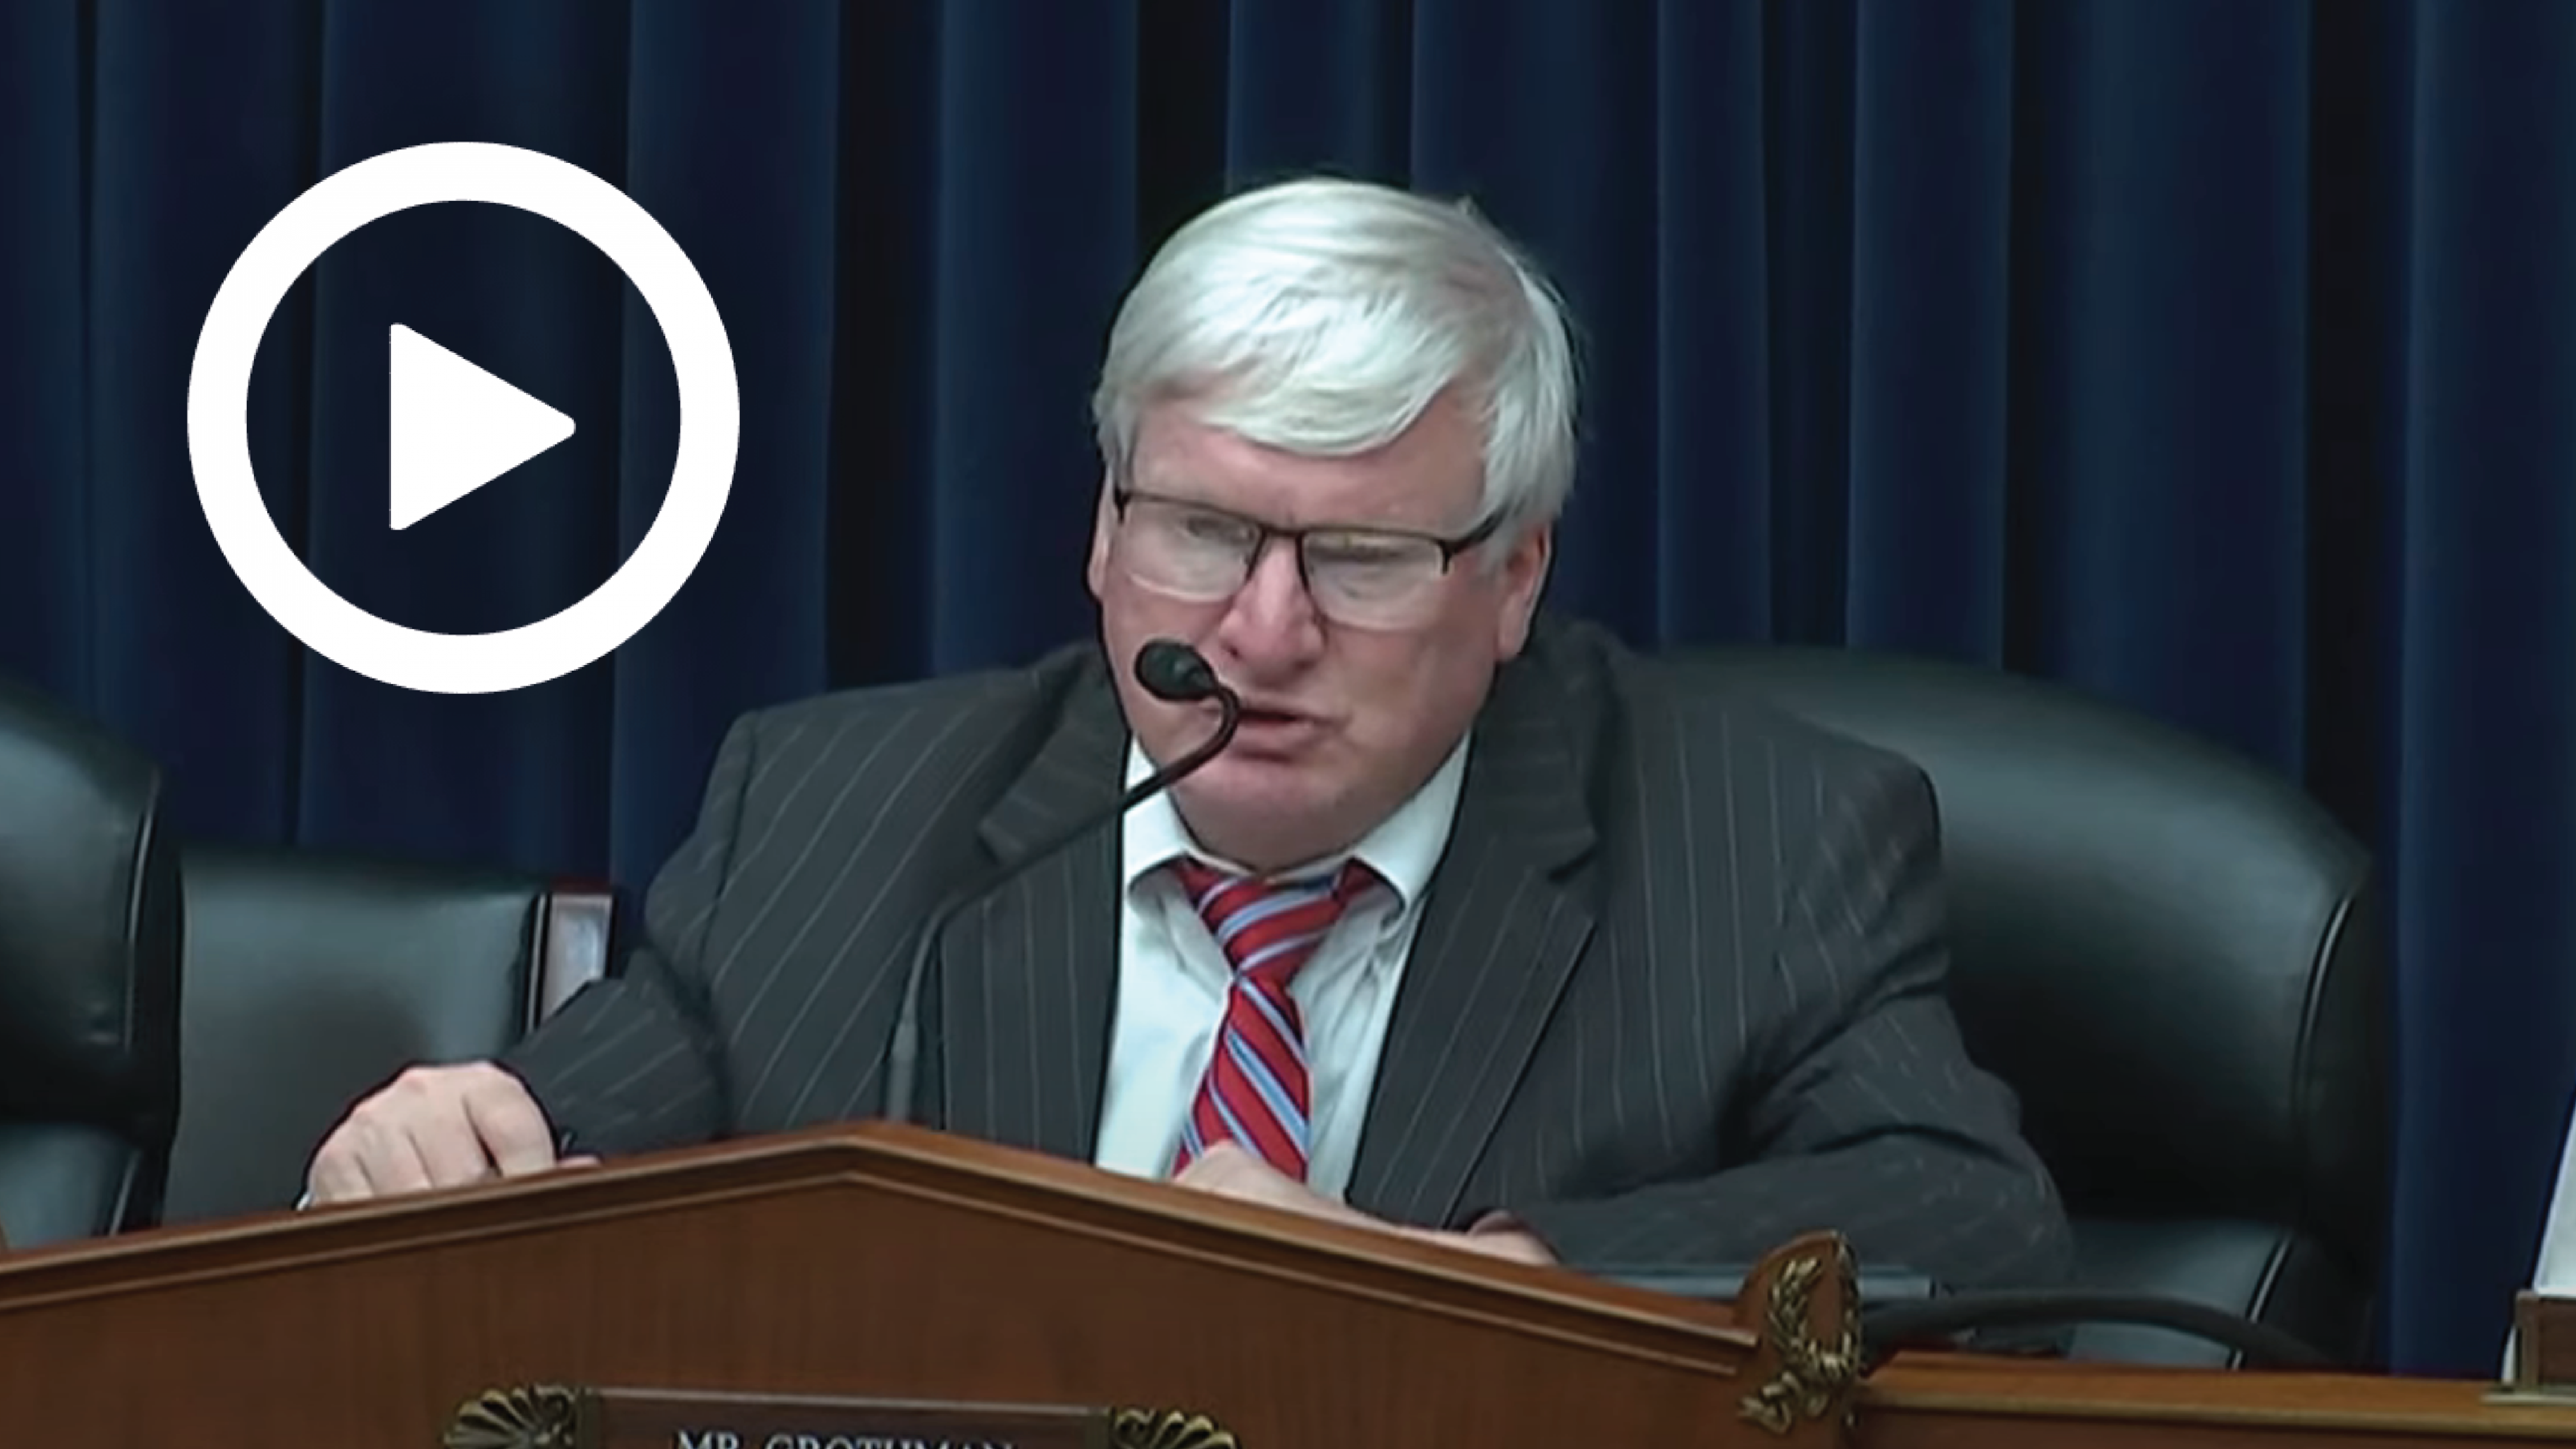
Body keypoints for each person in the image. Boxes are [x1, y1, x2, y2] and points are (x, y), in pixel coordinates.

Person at [303, 175, 2072, 1291]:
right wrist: (459, 1139)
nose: (1261, 631)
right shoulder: (840, 813)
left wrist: (1495, 1281)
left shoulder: (1763, 848)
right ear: (1103, 527)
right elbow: (595, 1120)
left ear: (1516, 576)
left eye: (1362, 559)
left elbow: (1973, 1218)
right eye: (1205, 532)